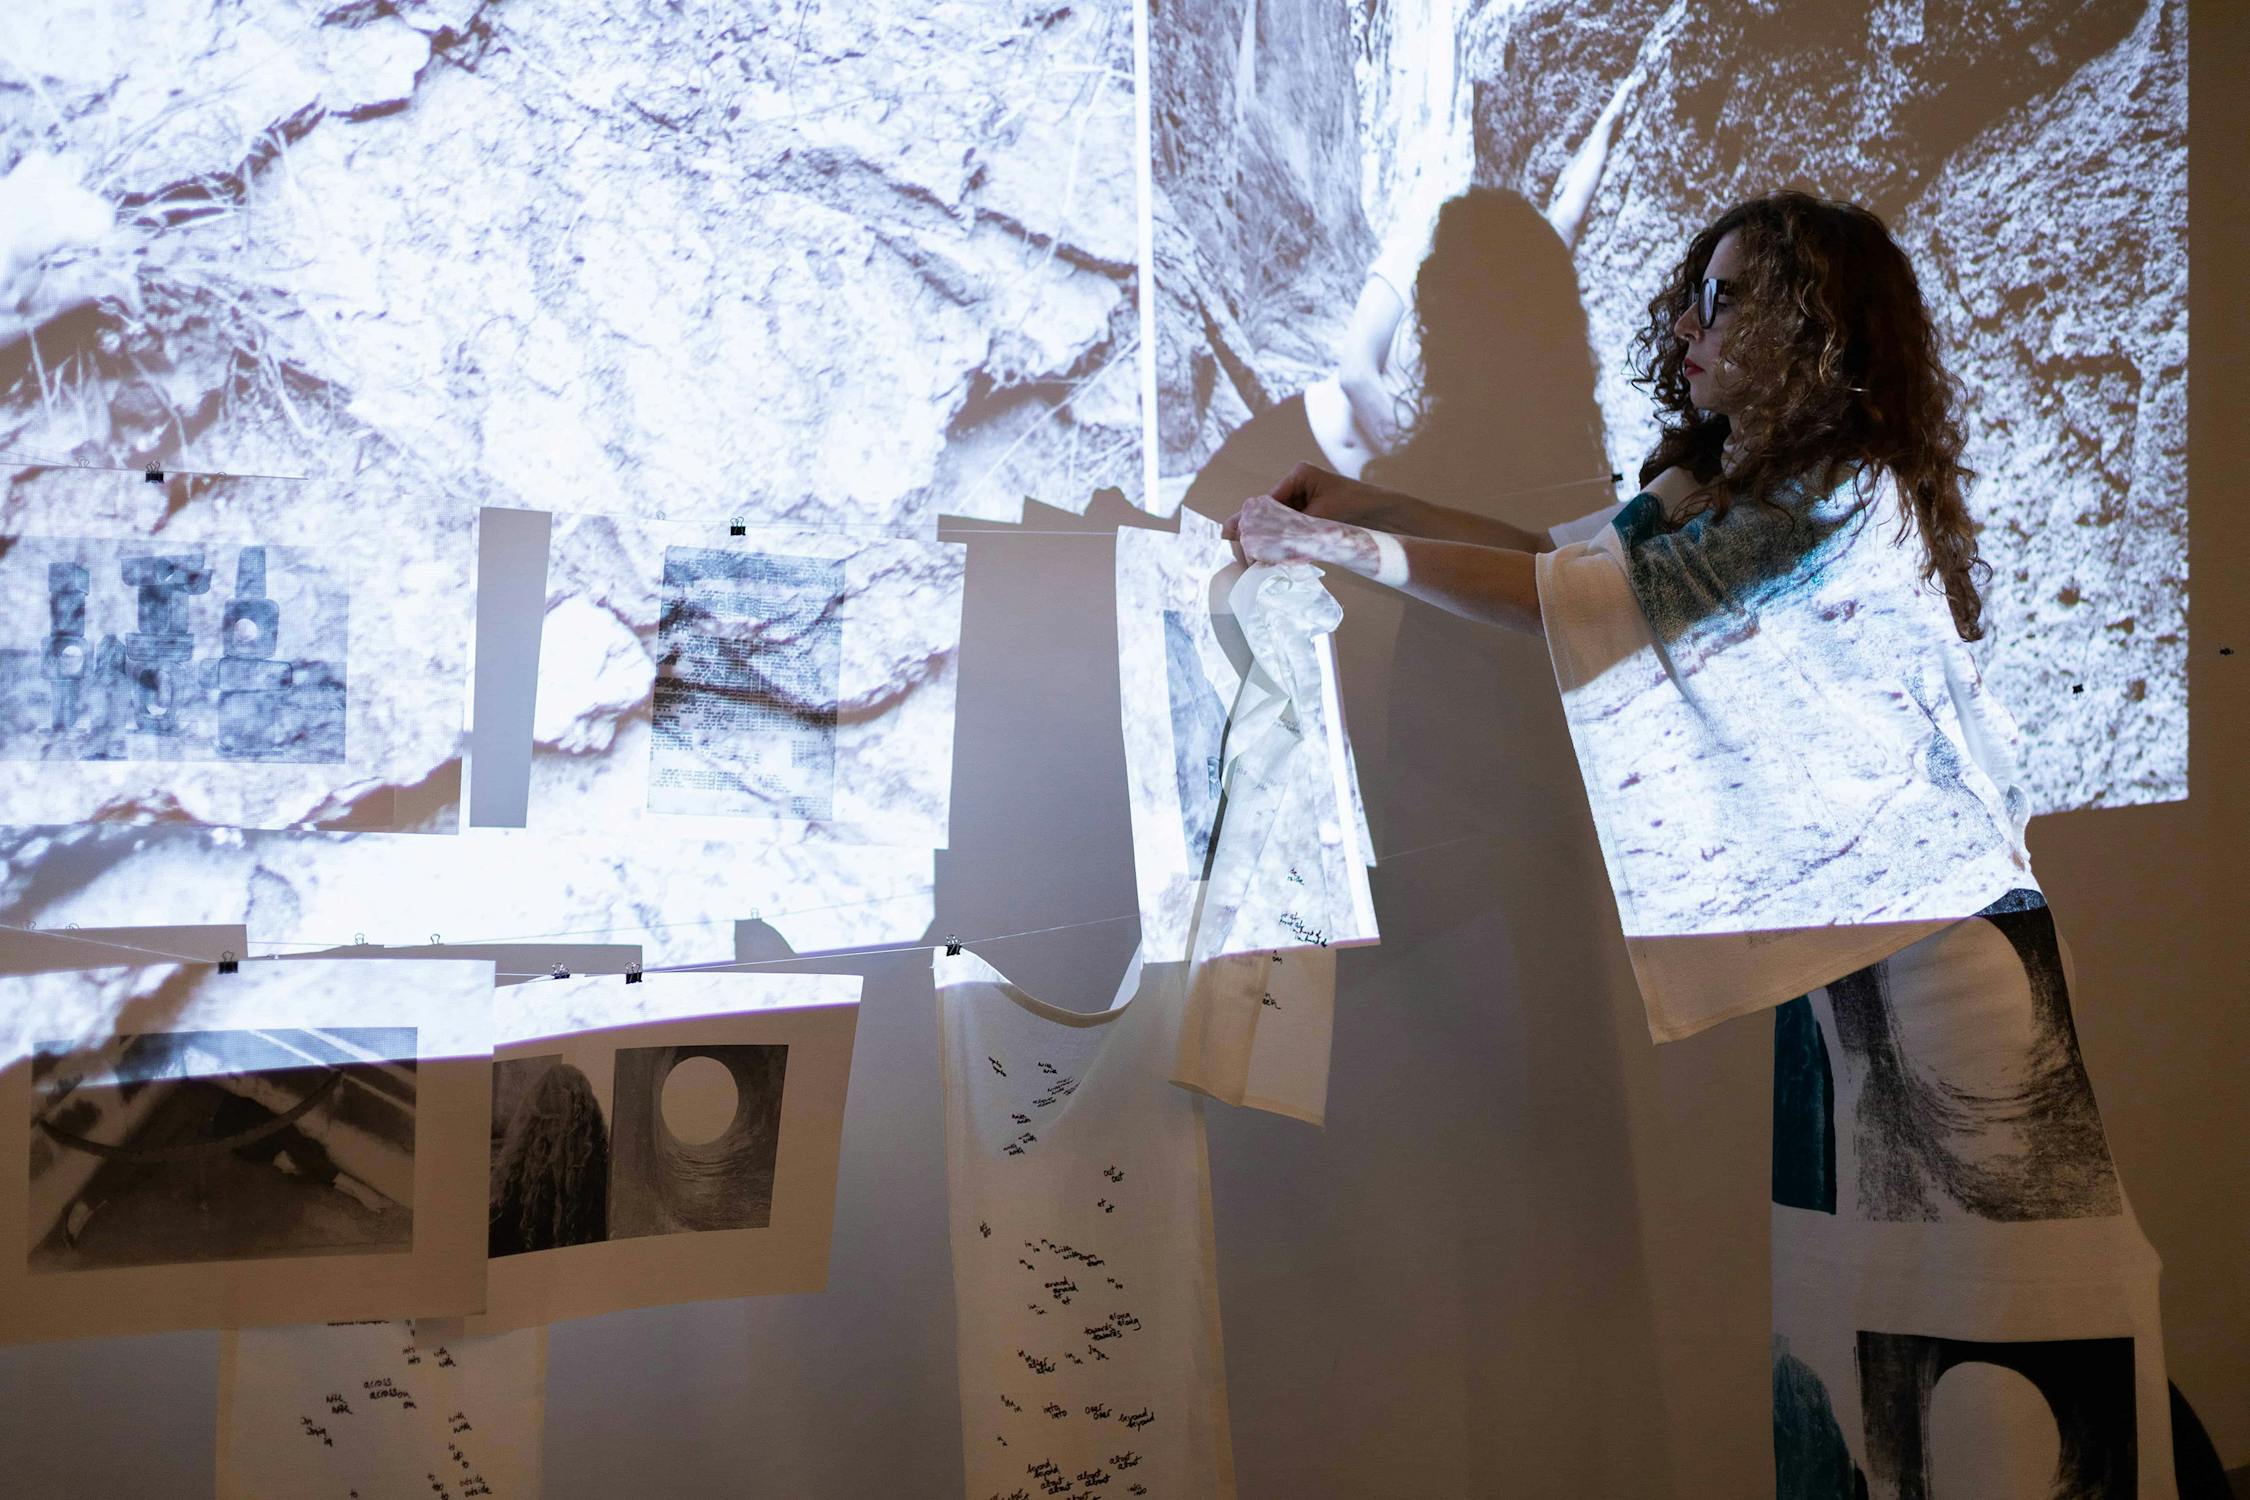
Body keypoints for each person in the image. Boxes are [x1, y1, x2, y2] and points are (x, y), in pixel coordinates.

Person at [1224, 190, 2197, 1497]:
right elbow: (1563, 571)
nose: (1687, 321)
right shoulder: (1755, 494)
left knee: (2004, 1338)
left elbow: (1574, 598)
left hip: (1948, 976)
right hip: (1854, 972)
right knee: (1870, 1337)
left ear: (1810, 323)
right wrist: (1361, 503)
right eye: (1693, 290)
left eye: (1724, 296)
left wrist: (1335, 538)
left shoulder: (1836, 497)